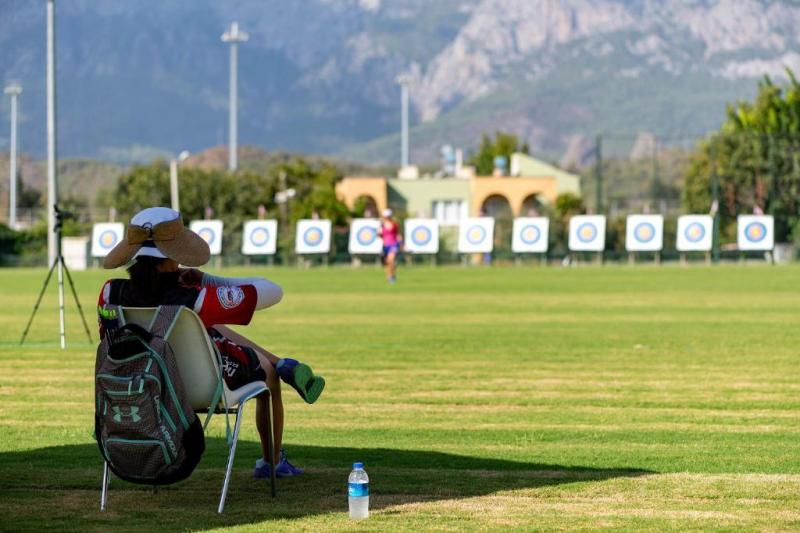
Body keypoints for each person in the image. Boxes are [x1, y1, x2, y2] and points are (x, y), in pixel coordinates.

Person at [96, 207, 324, 479]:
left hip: (142, 385)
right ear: (170, 257)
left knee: (210, 328)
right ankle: (271, 461)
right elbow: (274, 291)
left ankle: (281, 362)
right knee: (268, 375)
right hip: (201, 388)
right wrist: (208, 280)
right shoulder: (197, 299)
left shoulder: (109, 292)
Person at [379, 208, 402, 283]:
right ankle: (390, 276)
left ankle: (392, 276)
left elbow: (398, 234)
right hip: (385, 245)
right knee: (386, 263)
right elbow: (380, 235)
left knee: (391, 260)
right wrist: (379, 233)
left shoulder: (394, 224)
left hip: (393, 244)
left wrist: (401, 243)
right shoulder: (382, 225)